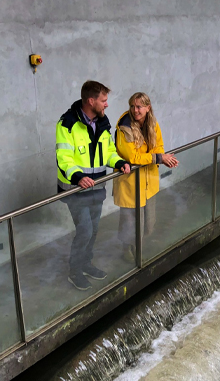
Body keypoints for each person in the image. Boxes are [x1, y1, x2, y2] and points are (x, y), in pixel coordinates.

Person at [56, 80, 130, 290]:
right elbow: (64, 157)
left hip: (97, 187)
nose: (106, 104)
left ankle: (86, 263)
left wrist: (120, 163)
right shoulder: (67, 123)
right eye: (103, 100)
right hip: (76, 190)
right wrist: (78, 177)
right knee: (85, 231)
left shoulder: (102, 122)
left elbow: (108, 152)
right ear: (91, 101)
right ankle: (75, 271)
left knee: (94, 229)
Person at [113, 92, 178, 261]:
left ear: (148, 108)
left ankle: (137, 244)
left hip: (149, 182)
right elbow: (132, 158)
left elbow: (159, 145)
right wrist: (158, 158)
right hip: (130, 183)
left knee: (148, 224)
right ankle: (126, 248)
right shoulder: (124, 127)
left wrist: (163, 158)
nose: (135, 110)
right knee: (130, 223)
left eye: (139, 107)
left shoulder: (152, 123)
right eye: (133, 106)